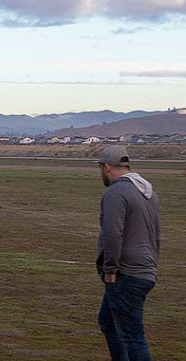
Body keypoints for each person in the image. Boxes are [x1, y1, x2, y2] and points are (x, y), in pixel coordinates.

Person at [95, 145, 160, 361]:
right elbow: (155, 234)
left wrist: (110, 269)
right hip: (144, 270)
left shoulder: (116, 192)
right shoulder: (149, 193)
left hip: (126, 274)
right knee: (108, 322)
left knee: (132, 336)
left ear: (106, 167)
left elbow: (113, 233)